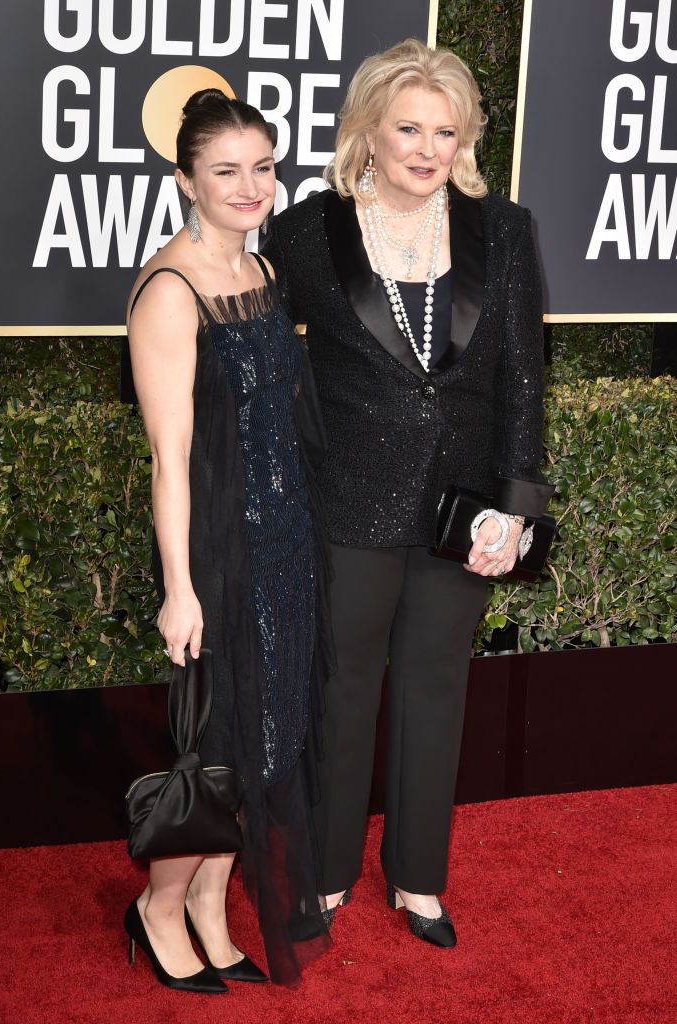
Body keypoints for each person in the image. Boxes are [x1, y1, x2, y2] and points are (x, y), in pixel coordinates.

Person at [262, 38, 553, 947]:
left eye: (444, 129)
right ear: (368, 131)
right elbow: (262, 361)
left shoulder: (499, 229)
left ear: (464, 138)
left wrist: (517, 504)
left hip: (461, 508)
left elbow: (521, 378)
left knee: (435, 684)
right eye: (407, 127)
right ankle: (327, 871)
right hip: (345, 498)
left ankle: (419, 878)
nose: (426, 148)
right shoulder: (308, 232)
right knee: (342, 686)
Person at [125, 89, 333, 990]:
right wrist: (180, 585)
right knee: (215, 751)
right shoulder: (169, 292)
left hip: (287, 546)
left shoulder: (259, 272)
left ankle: (213, 903)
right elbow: (170, 459)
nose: (251, 187)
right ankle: (158, 908)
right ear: (185, 180)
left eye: (263, 167)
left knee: (269, 741)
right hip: (217, 555)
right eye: (226, 172)